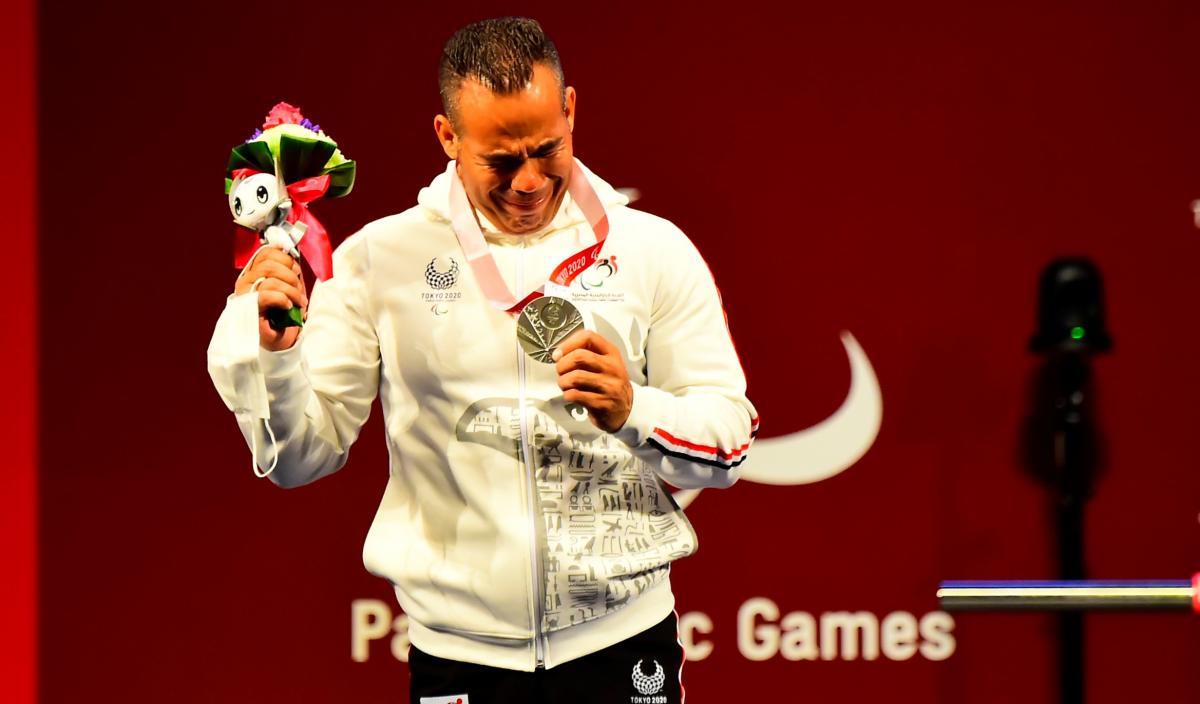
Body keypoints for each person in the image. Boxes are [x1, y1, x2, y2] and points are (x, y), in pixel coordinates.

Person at [207, 16, 758, 704]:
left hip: (623, 645)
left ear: (571, 109)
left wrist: (632, 410)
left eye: (546, 149)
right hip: (456, 658)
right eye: (500, 160)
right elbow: (298, 460)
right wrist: (278, 358)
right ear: (447, 136)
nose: (529, 181)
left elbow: (729, 443)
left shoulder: (651, 249)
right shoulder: (381, 260)